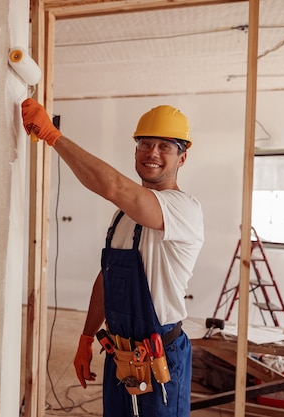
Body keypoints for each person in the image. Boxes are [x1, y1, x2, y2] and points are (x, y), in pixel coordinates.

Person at [21, 98, 204, 417]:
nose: (153, 153)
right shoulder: (124, 215)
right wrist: (86, 336)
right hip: (120, 356)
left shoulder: (183, 209)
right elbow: (108, 277)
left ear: (182, 157)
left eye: (165, 146)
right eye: (145, 143)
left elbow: (114, 186)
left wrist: (53, 136)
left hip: (161, 357)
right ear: (136, 150)